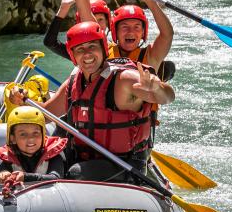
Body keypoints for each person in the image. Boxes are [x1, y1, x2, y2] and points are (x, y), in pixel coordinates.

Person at [10, 21, 175, 183]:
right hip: (84, 158)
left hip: (123, 164)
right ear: (73, 55)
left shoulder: (125, 79)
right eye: (80, 49)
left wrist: (156, 87)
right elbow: (46, 114)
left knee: (75, 173)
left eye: (92, 47)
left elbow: (167, 97)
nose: (87, 54)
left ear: (104, 48)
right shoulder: (74, 82)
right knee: (51, 151)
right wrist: (24, 101)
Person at [108, 0, 175, 81]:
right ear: (115, 31)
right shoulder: (104, 50)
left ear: (143, 32)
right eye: (124, 27)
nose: (131, 31)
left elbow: (167, 34)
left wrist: (151, 3)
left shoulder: (151, 56)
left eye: (137, 27)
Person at [0, 106, 67, 183]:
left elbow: (56, 178)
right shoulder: (8, 159)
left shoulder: (54, 157)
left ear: (43, 135)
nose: (31, 139)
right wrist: (2, 175)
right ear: (13, 139)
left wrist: (26, 177)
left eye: (36, 133)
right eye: (23, 134)